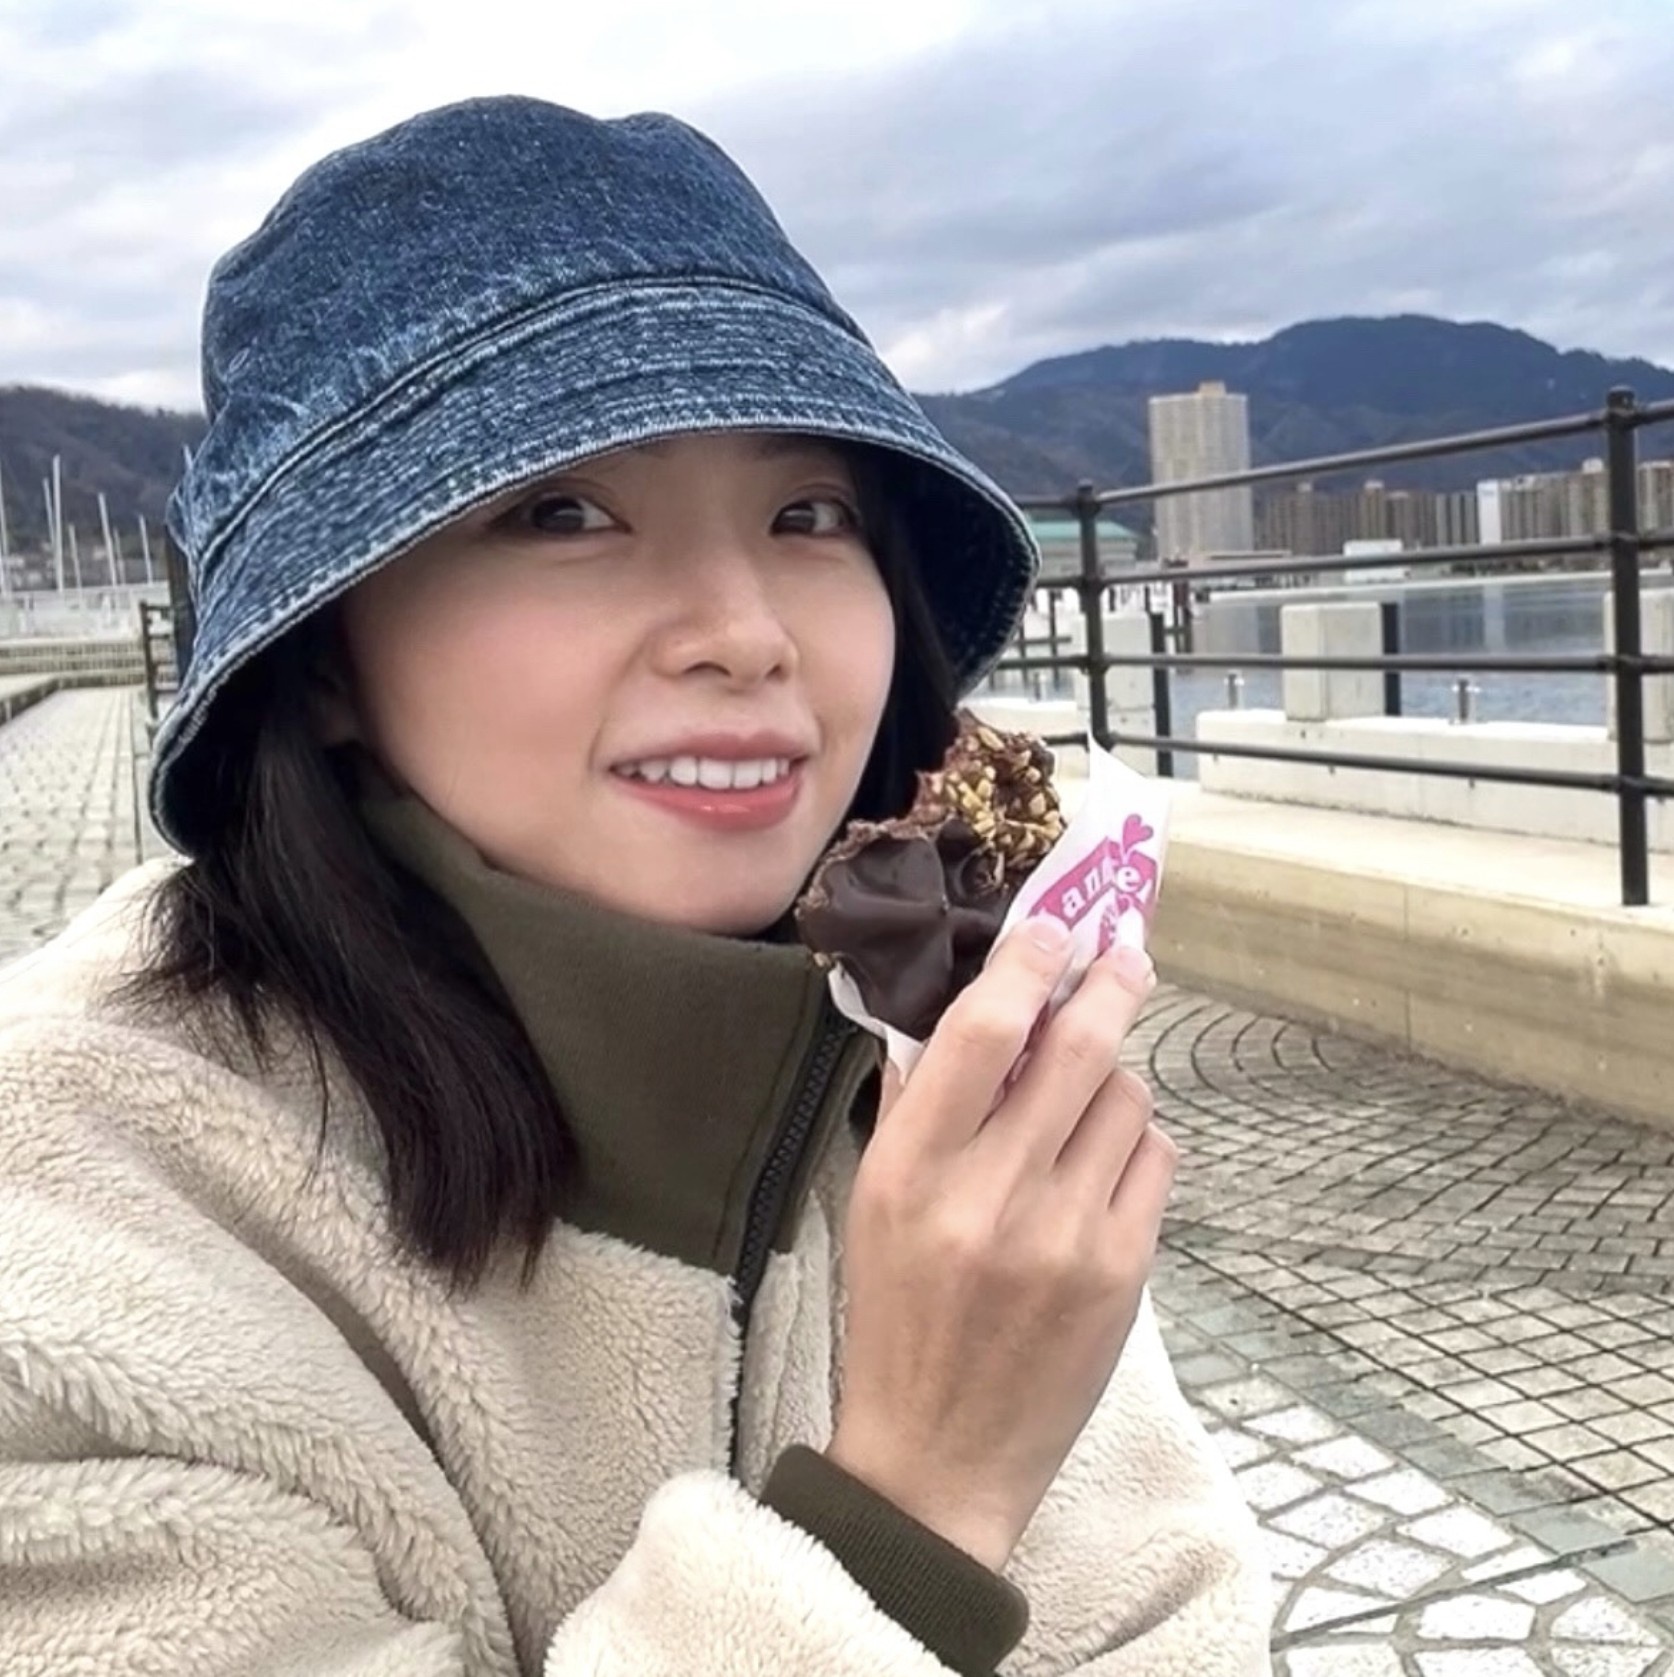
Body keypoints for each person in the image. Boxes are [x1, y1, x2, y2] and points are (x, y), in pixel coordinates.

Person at [0, 96, 1270, 1676]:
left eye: (809, 513)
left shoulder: (912, 1045)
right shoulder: (76, 1217)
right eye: (563, 512)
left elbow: (1171, 1609)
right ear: (321, 654)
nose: (744, 630)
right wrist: (915, 1498)